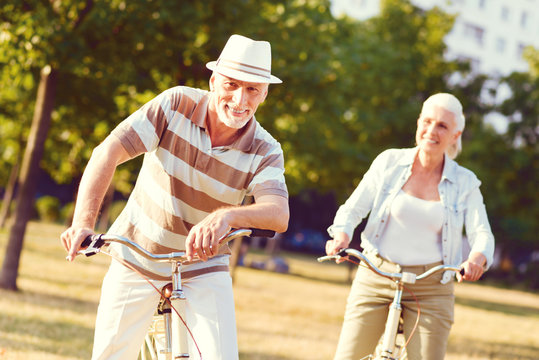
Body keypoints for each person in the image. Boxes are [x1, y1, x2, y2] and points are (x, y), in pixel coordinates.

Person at [60, 34, 289, 360]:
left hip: (204, 267)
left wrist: (227, 216)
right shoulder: (175, 104)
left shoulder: (265, 149)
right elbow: (107, 151)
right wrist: (84, 223)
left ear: (264, 94)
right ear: (213, 80)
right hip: (137, 255)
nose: (240, 99)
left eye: (252, 89)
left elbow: (278, 213)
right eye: (231, 84)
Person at [325, 93, 495, 360]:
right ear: (418, 123)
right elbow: (353, 208)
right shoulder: (389, 162)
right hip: (376, 274)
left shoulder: (465, 182)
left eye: (442, 126)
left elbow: (482, 233)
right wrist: (341, 235)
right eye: (427, 122)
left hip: (432, 287)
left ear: (455, 135)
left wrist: (476, 258)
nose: (431, 131)